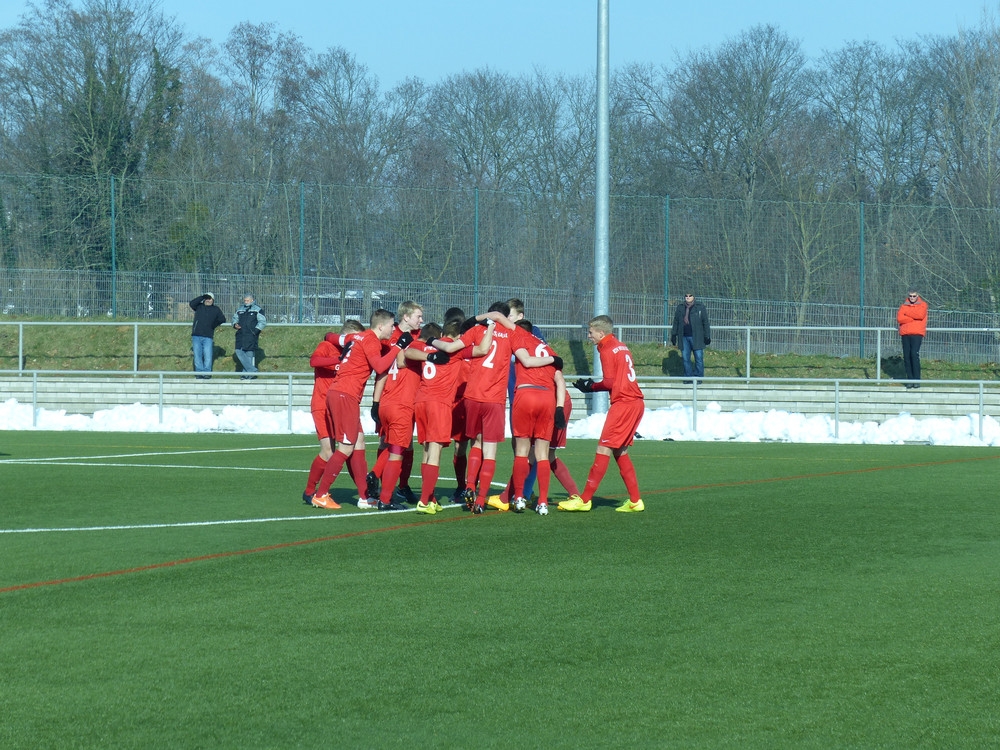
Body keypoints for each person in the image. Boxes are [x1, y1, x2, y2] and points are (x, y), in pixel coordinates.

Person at [311, 309, 413, 511]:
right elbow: (380, 365)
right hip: (345, 395)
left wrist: (328, 336)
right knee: (347, 446)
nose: (393, 329)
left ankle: (365, 497)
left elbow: (333, 337)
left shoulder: (356, 336)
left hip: (341, 393)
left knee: (358, 443)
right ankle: (321, 494)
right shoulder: (370, 340)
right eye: (392, 325)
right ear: (381, 326)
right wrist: (398, 347)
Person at [560, 314, 645, 513]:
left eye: (590, 333)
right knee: (620, 451)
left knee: (603, 449)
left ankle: (585, 500)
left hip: (624, 404)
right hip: (635, 403)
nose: (589, 336)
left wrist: (592, 387)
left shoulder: (606, 348)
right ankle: (635, 501)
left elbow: (610, 382)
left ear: (601, 332)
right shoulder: (620, 345)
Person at [301, 320, 367, 505]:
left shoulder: (355, 352)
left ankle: (364, 492)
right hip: (323, 404)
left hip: (342, 405)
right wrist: (337, 361)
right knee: (329, 451)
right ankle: (310, 492)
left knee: (354, 445)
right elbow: (314, 361)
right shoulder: (327, 345)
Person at [670, 291, 710, 381]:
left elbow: (705, 322)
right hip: (683, 337)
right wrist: (673, 334)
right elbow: (676, 321)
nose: (688, 297)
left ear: (694, 297)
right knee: (685, 358)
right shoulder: (680, 308)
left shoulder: (700, 307)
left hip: (697, 337)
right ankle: (688, 378)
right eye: (686, 296)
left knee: (699, 358)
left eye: (690, 295)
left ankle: (698, 378)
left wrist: (707, 335)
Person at [189, 293, 225, 378]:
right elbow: (191, 303)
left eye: (210, 299)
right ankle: (199, 373)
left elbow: (222, 319)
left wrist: (214, 325)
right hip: (196, 335)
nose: (208, 300)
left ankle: (207, 373)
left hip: (208, 336)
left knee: (207, 355)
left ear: (213, 300)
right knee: (197, 356)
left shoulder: (216, 309)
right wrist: (202, 296)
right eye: (207, 299)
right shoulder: (199, 307)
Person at [897, 289, 928, 388]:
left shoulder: (923, 305)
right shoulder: (903, 306)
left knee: (914, 355)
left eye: (914, 296)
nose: (912, 298)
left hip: (917, 333)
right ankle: (910, 379)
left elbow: (920, 315)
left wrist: (907, 314)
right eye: (910, 296)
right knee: (907, 357)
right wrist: (912, 318)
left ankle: (916, 379)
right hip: (905, 333)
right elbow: (900, 318)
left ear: (917, 296)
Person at [232, 294, 266, 380]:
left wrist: (255, 331)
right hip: (240, 335)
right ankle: (252, 370)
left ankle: (246, 375)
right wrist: (235, 324)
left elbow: (262, 322)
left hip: (251, 336)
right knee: (238, 351)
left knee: (249, 355)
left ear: (252, 300)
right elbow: (234, 318)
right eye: (245, 301)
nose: (245, 302)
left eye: (247, 300)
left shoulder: (258, 310)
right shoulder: (240, 309)